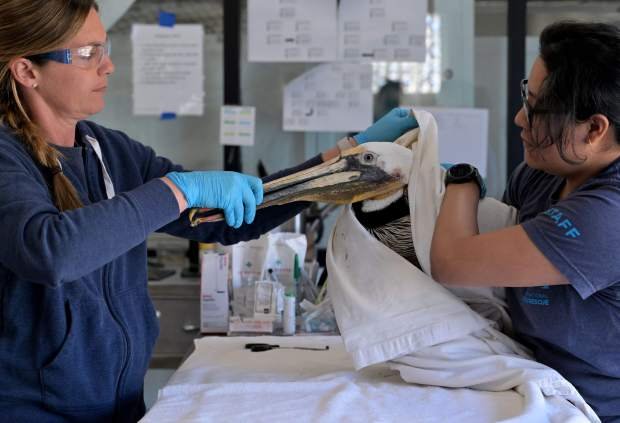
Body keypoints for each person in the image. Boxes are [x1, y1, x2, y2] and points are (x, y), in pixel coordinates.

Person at [0, 1, 417, 421]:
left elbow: (230, 219)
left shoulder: (109, 151)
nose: (107, 66)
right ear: (27, 71)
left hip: (120, 406)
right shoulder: (6, 156)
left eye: (104, 48)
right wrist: (177, 190)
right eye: (87, 53)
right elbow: (51, 251)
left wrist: (345, 158)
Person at [430, 21, 620, 422]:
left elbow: (452, 262)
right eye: (525, 96)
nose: (520, 118)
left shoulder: (608, 215)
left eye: (538, 109)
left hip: (591, 411)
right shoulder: (543, 171)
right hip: (526, 381)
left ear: (594, 129)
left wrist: (462, 180)